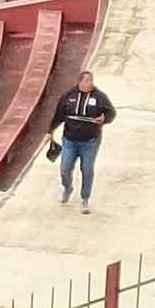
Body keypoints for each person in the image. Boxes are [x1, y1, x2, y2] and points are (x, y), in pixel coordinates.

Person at [46, 68, 116, 214]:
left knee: (87, 169)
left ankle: (85, 199)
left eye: (91, 81)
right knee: (65, 167)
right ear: (79, 82)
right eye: (87, 81)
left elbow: (111, 113)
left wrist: (104, 119)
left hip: (90, 142)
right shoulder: (68, 96)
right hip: (70, 140)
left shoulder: (99, 97)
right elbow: (59, 114)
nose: (90, 83)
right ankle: (67, 187)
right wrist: (50, 131)